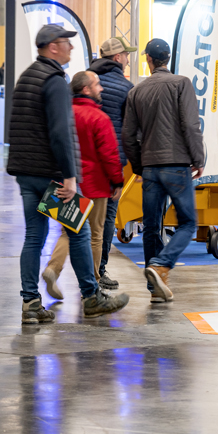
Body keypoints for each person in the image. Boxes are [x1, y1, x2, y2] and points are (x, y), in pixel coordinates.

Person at [6, 24, 130, 323]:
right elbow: (61, 133)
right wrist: (70, 176)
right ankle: (91, 296)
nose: (71, 49)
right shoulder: (55, 81)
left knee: (34, 237)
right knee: (80, 231)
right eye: (66, 43)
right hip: (52, 174)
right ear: (52, 47)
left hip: (26, 172)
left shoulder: (26, 77)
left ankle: (30, 302)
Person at [122, 39, 204, 303]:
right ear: (168, 58)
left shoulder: (136, 91)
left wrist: (138, 165)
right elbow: (191, 126)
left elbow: (127, 135)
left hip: (149, 168)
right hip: (177, 165)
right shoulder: (182, 84)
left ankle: (155, 289)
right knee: (188, 222)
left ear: (148, 59)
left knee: (151, 227)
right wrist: (198, 158)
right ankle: (161, 265)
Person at [42, 71, 124, 299]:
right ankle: (94, 284)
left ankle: (52, 269)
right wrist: (117, 180)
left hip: (64, 182)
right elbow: (109, 154)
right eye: (98, 85)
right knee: (95, 234)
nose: (102, 89)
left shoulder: (63, 113)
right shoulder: (99, 117)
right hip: (95, 184)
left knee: (68, 231)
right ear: (86, 89)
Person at [89, 36, 137, 291]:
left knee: (77, 220)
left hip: (82, 162)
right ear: (117, 58)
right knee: (106, 219)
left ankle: (70, 269)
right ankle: (99, 270)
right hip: (111, 164)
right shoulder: (126, 87)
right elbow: (128, 132)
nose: (128, 59)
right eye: (126, 55)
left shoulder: (85, 80)